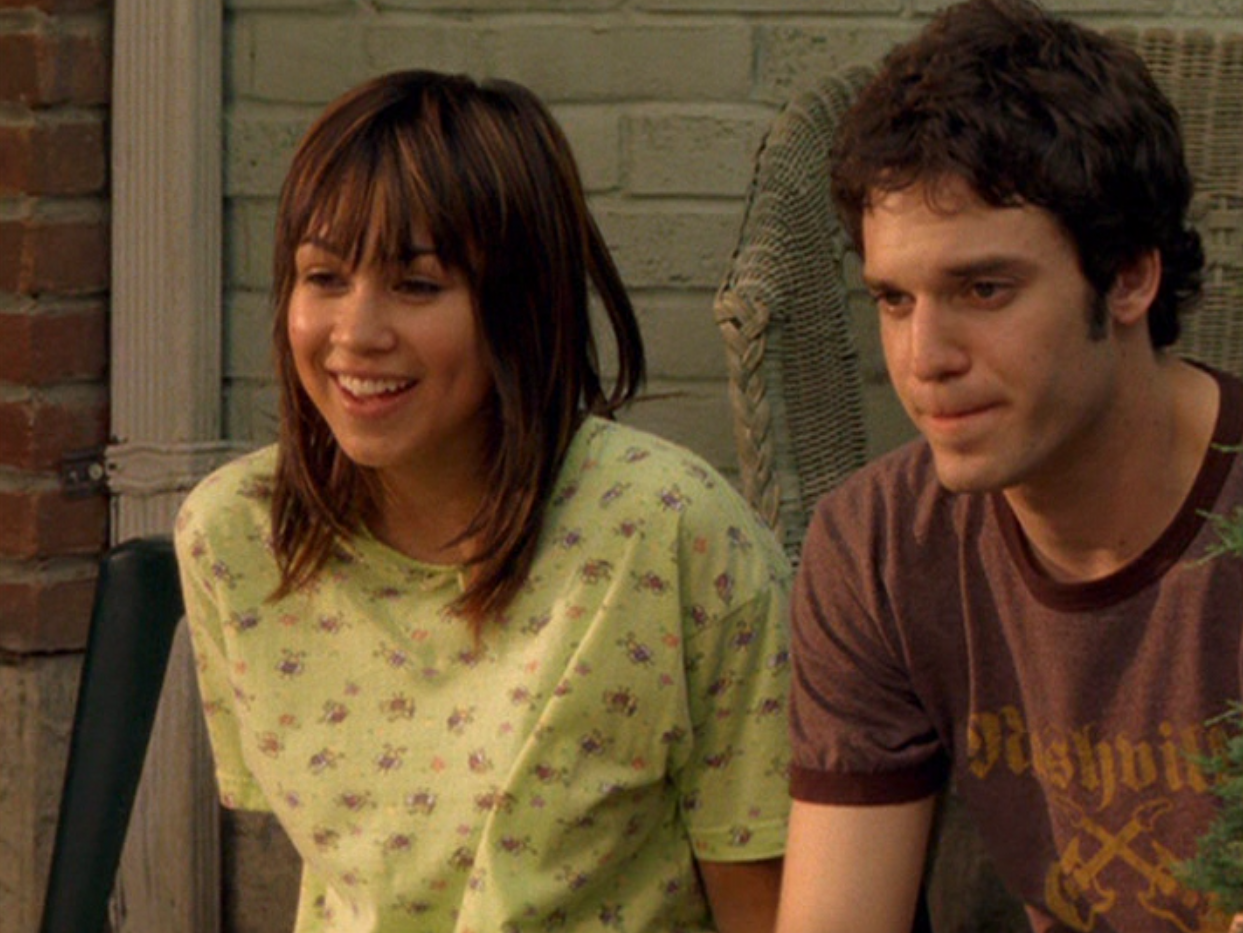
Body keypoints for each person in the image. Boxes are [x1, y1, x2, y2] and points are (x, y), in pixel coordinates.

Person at [175, 69, 792, 933]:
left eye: (417, 284)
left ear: (520, 301)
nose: (356, 332)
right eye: (323, 276)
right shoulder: (236, 535)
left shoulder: (672, 534)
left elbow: (766, 905)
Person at [775, 1, 1243, 931]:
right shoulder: (879, 545)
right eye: (893, 299)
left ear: (1127, 276)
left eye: (982, 289)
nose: (923, 357)